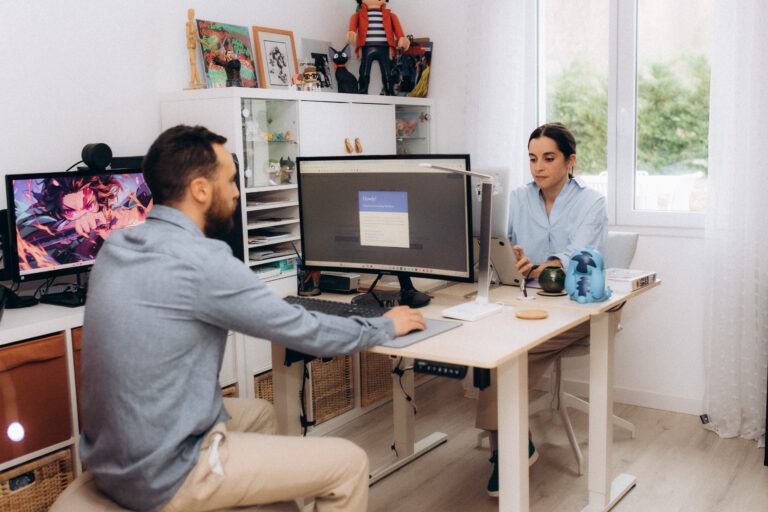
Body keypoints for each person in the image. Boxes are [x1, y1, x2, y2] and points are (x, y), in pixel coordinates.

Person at [78, 124, 426, 512]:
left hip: (112, 459)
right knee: (349, 464)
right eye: (230, 180)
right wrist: (386, 324)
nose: (237, 192)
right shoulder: (203, 263)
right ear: (200, 190)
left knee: (259, 414)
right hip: (164, 474)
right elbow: (305, 331)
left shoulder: (116, 247)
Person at [476, 122, 608, 497]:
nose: (538, 167)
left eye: (549, 158)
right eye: (533, 159)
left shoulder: (591, 202)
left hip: (579, 310)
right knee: (487, 345)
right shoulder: (517, 198)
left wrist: (539, 265)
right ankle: (513, 444)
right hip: (525, 304)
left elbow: (575, 257)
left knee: (506, 356)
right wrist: (509, 252)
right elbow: (499, 242)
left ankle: (506, 453)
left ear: (570, 161)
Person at [347, 0, 410, 95]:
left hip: (384, 47)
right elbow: (353, 24)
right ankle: (364, 89)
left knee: (387, 71)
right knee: (364, 70)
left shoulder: (390, 15)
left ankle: (389, 90)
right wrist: (351, 32)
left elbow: (397, 29)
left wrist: (402, 38)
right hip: (366, 47)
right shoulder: (359, 15)